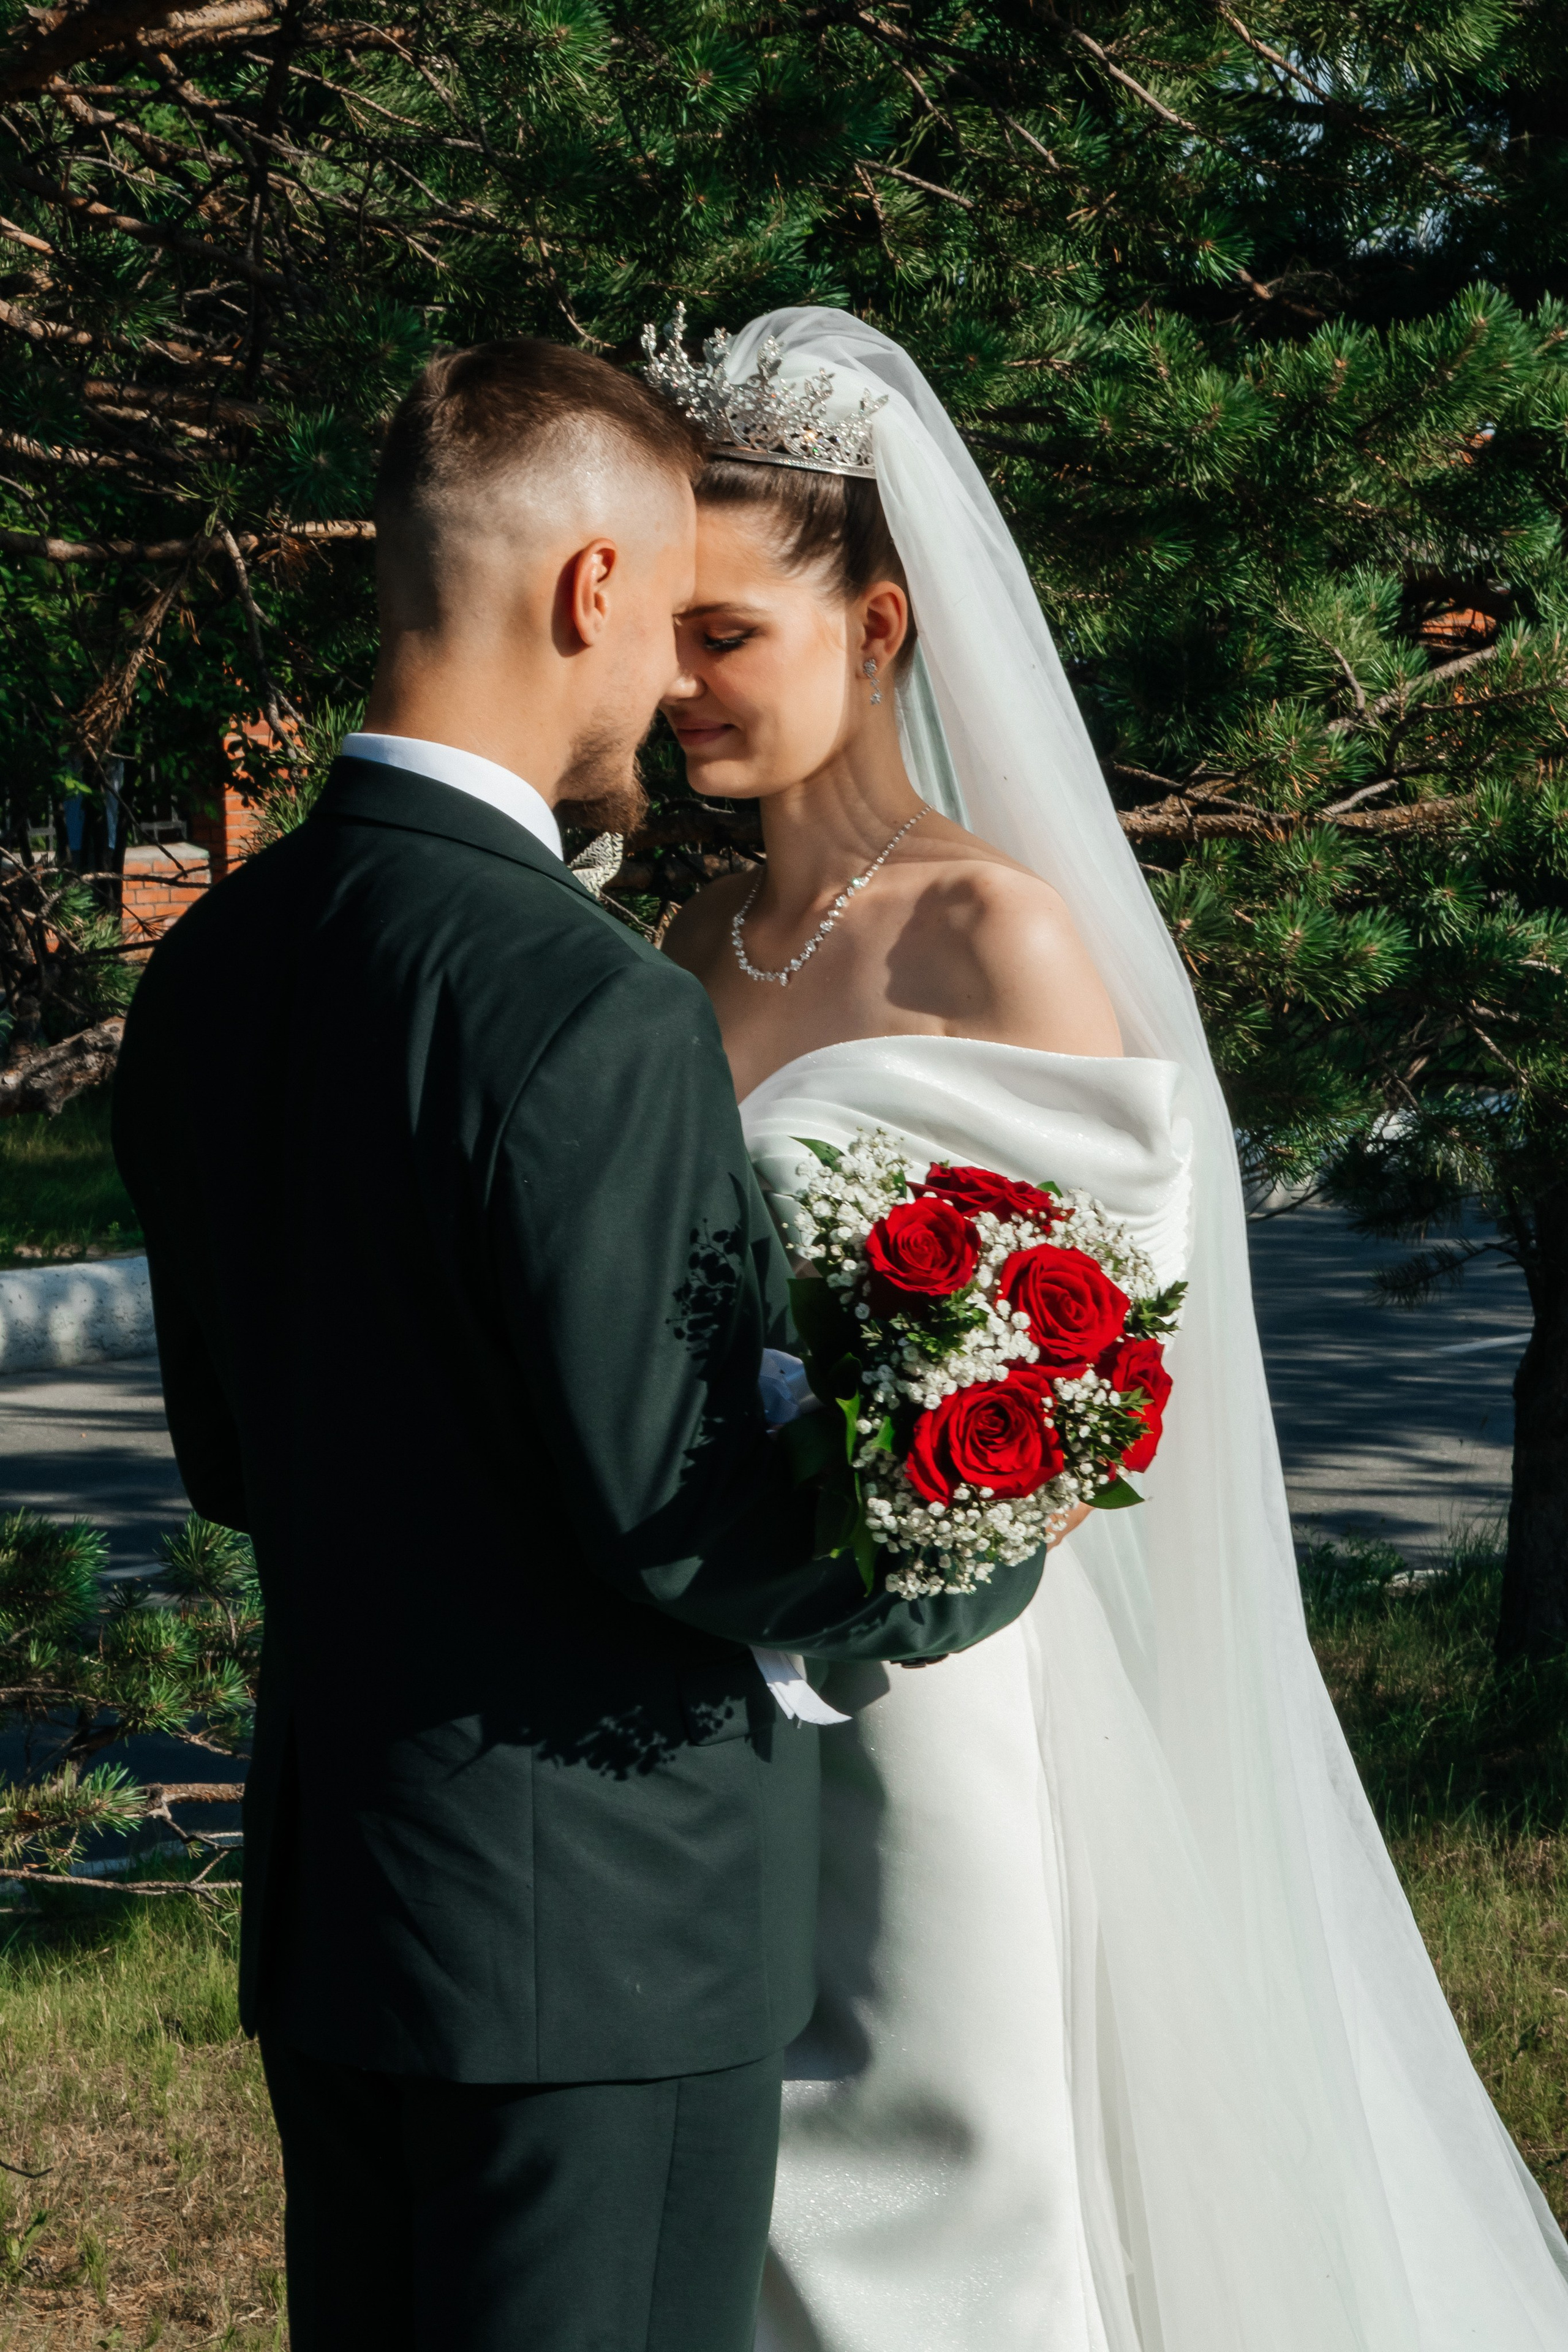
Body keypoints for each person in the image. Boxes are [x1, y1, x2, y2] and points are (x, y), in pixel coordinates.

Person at [110, 336, 1045, 2352]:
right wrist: (980, 1534)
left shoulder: (217, 964)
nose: (668, 696)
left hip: (351, 1913)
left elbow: (228, 1456)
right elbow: (693, 1521)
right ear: (590, 592)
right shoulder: (587, 1004)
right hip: (601, 1946)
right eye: (663, 625)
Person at [649, 307, 1568, 2352]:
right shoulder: (685, 943)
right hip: (718, 1670)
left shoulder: (997, 927)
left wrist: (895, 1549)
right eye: (664, 635)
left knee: (950, 2197)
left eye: (726, 634)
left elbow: (1111, 1376)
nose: (673, 681)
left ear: (877, 620)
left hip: (945, 1678)